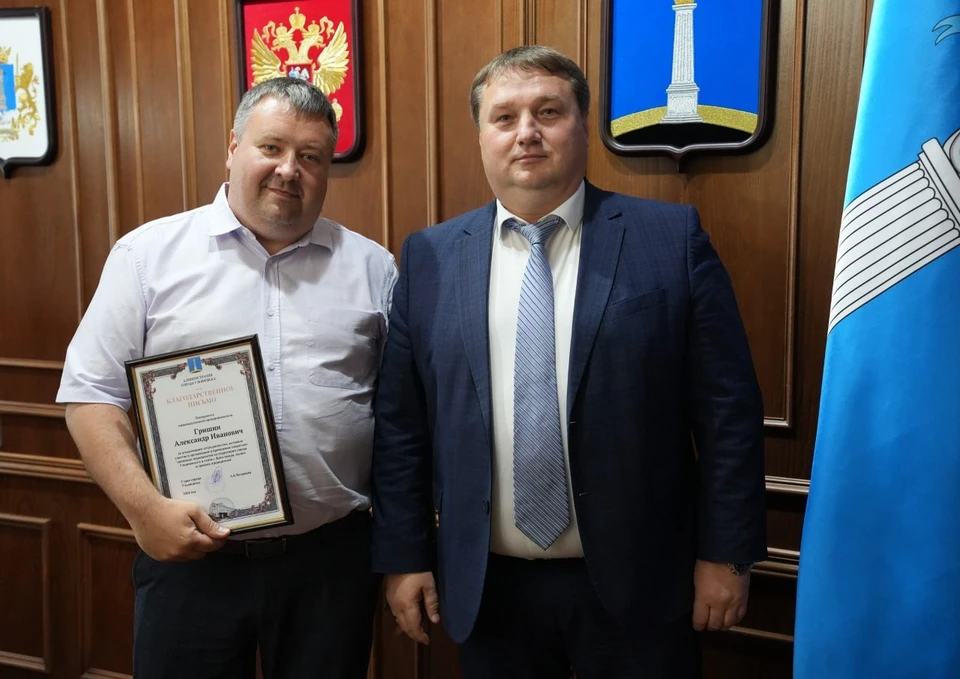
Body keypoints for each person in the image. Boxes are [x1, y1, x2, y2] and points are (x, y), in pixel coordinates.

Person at [370, 46, 767, 678]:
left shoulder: (671, 241)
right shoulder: (431, 257)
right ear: (481, 137)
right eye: (504, 117)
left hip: (641, 584)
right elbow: (401, 427)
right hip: (487, 590)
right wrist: (404, 556)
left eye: (548, 112)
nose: (526, 132)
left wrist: (728, 554)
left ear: (583, 126)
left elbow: (729, 415)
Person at [57, 77, 397, 679]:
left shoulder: (373, 268)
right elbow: (90, 395)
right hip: (192, 561)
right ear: (233, 147)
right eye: (271, 147)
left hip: (331, 563)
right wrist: (144, 511)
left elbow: (400, 417)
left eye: (310, 156)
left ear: (327, 169)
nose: (289, 169)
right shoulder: (147, 257)